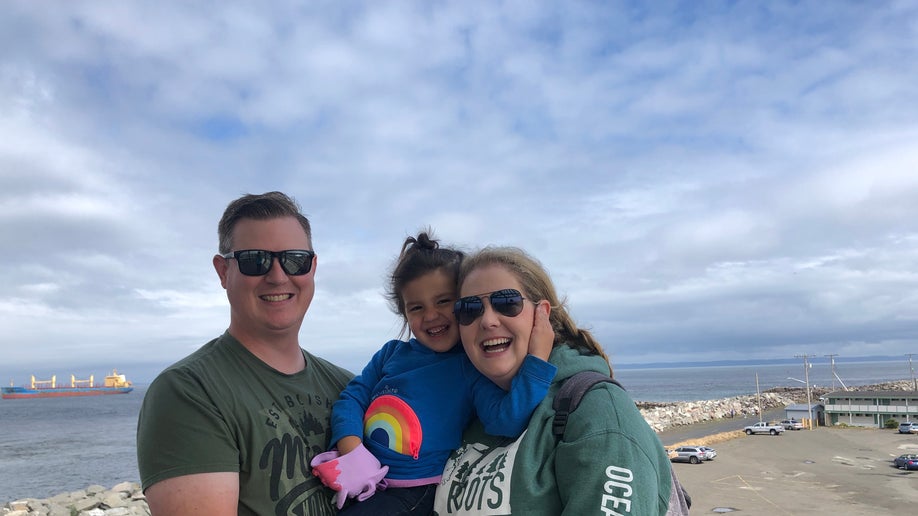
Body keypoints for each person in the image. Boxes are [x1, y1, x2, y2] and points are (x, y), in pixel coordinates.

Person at [137, 191, 354, 516]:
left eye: (295, 259)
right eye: (256, 260)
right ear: (223, 271)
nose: (278, 276)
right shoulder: (188, 392)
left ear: (313, 267)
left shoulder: (349, 388)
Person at [433, 246, 692, 515]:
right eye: (469, 309)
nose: (487, 320)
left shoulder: (596, 411)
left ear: (542, 314)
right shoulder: (473, 410)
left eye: (506, 303)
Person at [311, 232, 557, 515]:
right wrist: (352, 450)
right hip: (363, 481)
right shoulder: (390, 354)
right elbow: (352, 399)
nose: (430, 316)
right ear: (405, 314)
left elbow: (507, 419)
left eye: (443, 302)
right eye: (416, 307)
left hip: (414, 491)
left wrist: (537, 359)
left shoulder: (469, 368)